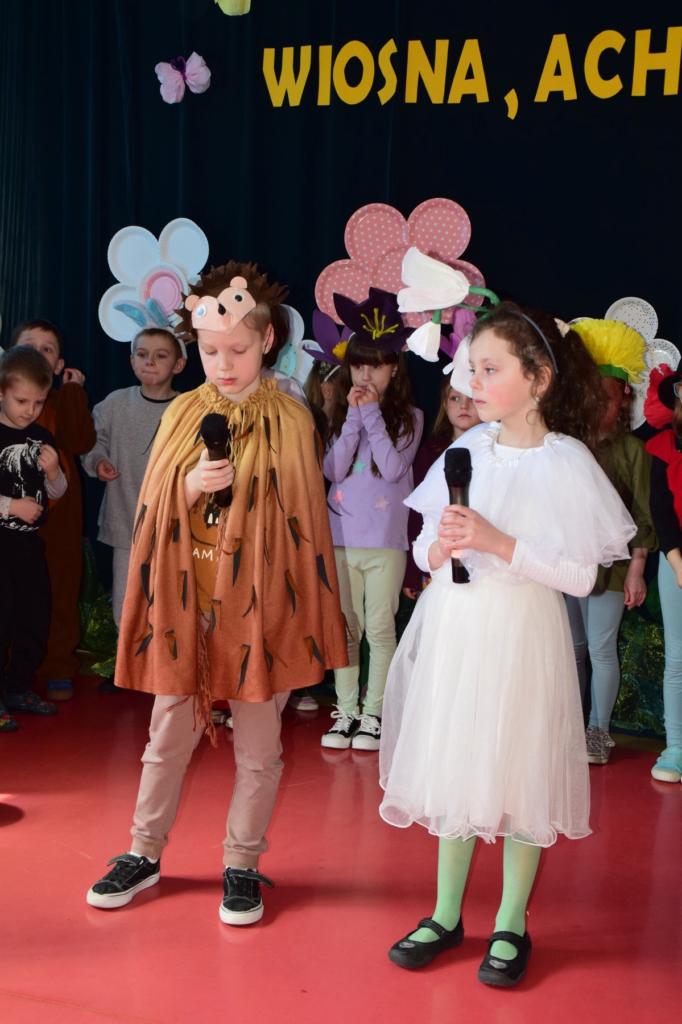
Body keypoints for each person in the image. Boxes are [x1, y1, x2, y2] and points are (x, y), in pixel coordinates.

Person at [380, 304, 635, 987]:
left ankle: (512, 921)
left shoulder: (567, 462)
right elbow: (424, 548)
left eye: (490, 370)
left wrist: (499, 543)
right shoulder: (466, 451)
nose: (474, 383)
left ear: (539, 378)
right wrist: (440, 548)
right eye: (473, 369)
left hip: (523, 635)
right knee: (456, 761)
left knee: (522, 769)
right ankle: (445, 914)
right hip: (458, 629)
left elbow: (582, 576)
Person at [86, 261, 347, 923]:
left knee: (259, 750)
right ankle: (143, 851)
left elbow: (301, 524)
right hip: (190, 607)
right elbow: (152, 508)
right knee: (165, 737)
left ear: (266, 341)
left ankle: (242, 862)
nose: (223, 366)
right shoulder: (182, 413)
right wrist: (189, 485)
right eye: (209, 352)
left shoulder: (291, 420)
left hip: (260, 612)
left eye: (237, 350)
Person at [321, 289, 423, 751]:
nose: (365, 375)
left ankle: (373, 713)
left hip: (385, 542)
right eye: (359, 366)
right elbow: (332, 469)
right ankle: (345, 710)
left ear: (394, 368)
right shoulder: (339, 414)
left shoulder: (410, 417)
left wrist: (372, 415)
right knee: (346, 627)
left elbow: (394, 467)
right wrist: (352, 419)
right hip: (341, 538)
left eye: (376, 366)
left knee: (380, 628)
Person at [566, 319, 656, 765]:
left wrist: (637, 569)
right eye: (592, 397)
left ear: (623, 399)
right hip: (569, 563)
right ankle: (570, 728)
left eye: (607, 397)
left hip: (614, 567)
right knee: (573, 649)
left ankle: (598, 732)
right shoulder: (570, 447)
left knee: (601, 648)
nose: (599, 405)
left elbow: (642, 515)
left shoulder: (632, 452)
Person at [10, 319, 96, 700]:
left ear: (59, 365)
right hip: (11, 519)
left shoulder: (61, 402)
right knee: (12, 593)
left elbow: (80, 441)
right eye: (29, 346)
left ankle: (58, 663)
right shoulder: (5, 402)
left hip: (58, 519)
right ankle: (13, 668)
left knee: (59, 590)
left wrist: (74, 392)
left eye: (47, 349)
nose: (37, 353)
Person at [81, 328, 186, 628]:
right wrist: (98, 461)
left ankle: (163, 654)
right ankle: (126, 654)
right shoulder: (116, 403)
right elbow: (92, 440)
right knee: (126, 602)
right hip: (125, 521)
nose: (149, 361)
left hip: (172, 527)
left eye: (160, 355)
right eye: (142, 354)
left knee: (168, 601)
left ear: (178, 364)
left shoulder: (186, 408)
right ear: (131, 361)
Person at [0, 346, 68, 730]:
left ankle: (18, 686)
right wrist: (11, 506)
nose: (30, 411)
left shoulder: (41, 436)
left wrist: (55, 471)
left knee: (34, 616)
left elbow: (57, 492)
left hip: (27, 546)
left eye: (38, 402)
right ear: (1, 393)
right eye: (21, 401)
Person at [403, 378, 480, 600]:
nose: (464, 406)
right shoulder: (431, 453)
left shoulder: (495, 450)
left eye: (471, 398)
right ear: (445, 404)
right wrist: (413, 572)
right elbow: (417, 516)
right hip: (440, 555)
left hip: (481, 555)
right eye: (455, 398)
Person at [645, 366, 682, 782]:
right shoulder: (662, 447)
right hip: (676, 562)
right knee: (677, 658)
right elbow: (661, 509)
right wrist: (676, 561)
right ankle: (675, 747)